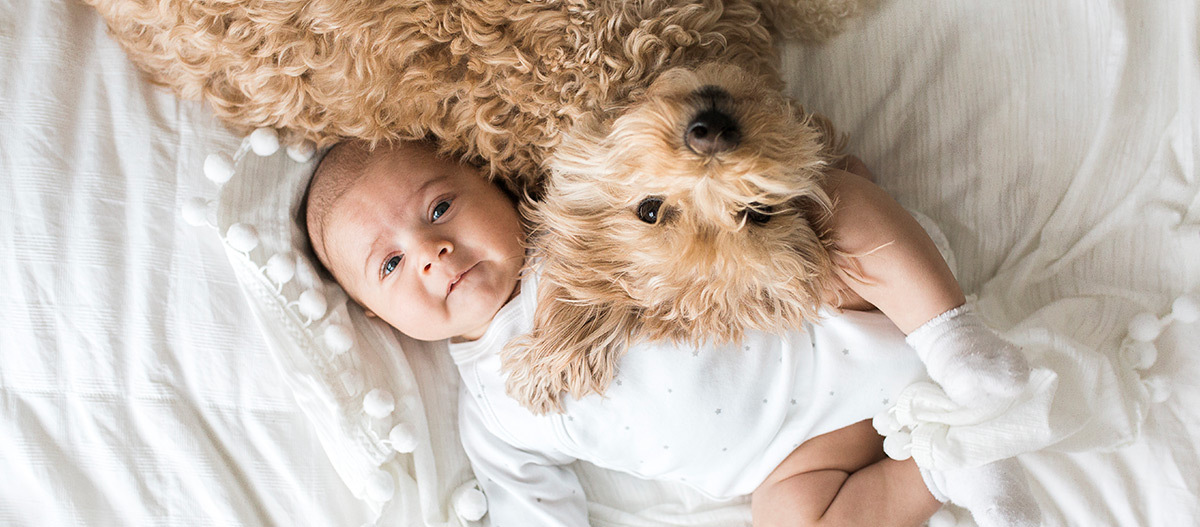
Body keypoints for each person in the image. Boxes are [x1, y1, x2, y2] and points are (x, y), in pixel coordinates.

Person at [304, 139, 1039, 527]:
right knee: (789, 523)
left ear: (487, 181)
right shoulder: (494, 417)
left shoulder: (574, 219)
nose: (432, 251)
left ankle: (954, 338)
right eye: (391, 262)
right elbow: (534, 509)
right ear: (377, 314)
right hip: (807, 454)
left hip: (834, 307)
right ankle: (949, 464)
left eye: (439, 208)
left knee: (831, 203)